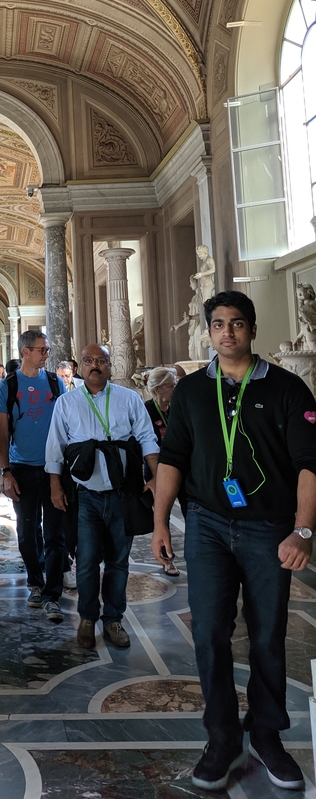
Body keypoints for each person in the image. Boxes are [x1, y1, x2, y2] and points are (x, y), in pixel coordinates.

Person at [153, 291, 316, 792]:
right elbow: (173, 458)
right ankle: (221, 738)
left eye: (237, 323)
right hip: (206, 525)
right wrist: (160, 522)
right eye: (219, 324)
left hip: (269, 529)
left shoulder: (289, 388)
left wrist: (304, 529)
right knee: (208, 634)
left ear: (251, 329)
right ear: (208, 331)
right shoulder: (192, 392)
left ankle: (267, 735)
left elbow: (310, 464)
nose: (227, 332)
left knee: (267, 635)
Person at [46, 344, 159, 649]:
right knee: (85, 562)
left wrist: (156, 475)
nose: (94, 366)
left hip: (122, 493)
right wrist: (55, 486)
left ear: (110, 366)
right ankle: (86, 618)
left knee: (118, 562)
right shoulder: (67, 402)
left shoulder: (129, 398)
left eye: (101, 361)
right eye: (88, 361)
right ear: (80, 367)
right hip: (86, 495)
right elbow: (55, 446)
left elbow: (147, 437)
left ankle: (113, 618)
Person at [0, 330, 66, 622]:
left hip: (53, 468)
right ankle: (35, 582)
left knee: (55, 534)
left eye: (47, 350)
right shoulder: (8, 386)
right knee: (27, 534)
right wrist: (4, 472)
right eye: (42, 350)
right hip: (21, 467)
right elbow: (0, 433)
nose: (46, 355)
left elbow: (64, 423)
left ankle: (53, 595)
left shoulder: (54, 382)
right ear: (25, 351)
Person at [144, 366, 181, 576]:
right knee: (162, 515)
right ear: (158, 390)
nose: (174, 389)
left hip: (182, 468)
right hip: (157, 470)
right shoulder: (146, 410)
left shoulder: (179, 407)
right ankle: (167, 559)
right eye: (170, 386)